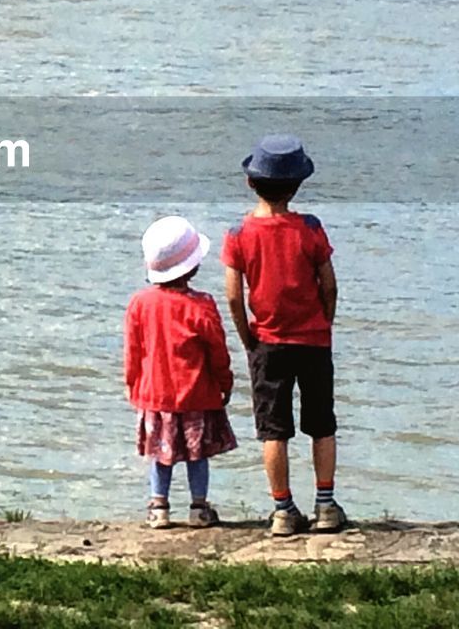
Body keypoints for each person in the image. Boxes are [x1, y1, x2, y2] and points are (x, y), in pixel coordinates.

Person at [220, 135, 346, 536]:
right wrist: (324, 322)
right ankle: (325, 504)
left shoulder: (239, 233)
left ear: (250, 183)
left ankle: (282, 510)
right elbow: (329, 285)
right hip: (312, 340)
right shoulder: (310, 228)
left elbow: (233, 296)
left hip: (267, 341)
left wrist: (247, 338)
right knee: (321, 423)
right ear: (297, 186)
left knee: (273, 429)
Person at [125, 215, 237, 529]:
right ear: (194, 267)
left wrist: (132, 383)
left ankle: (158, 507)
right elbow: (218, 351)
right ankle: (198, 507)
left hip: (155, 395)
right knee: (197, 454)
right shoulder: (201, 305)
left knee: (161, 454)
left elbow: (134, 351)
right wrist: (225, 382)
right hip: (197, 394)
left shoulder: (139, 303)